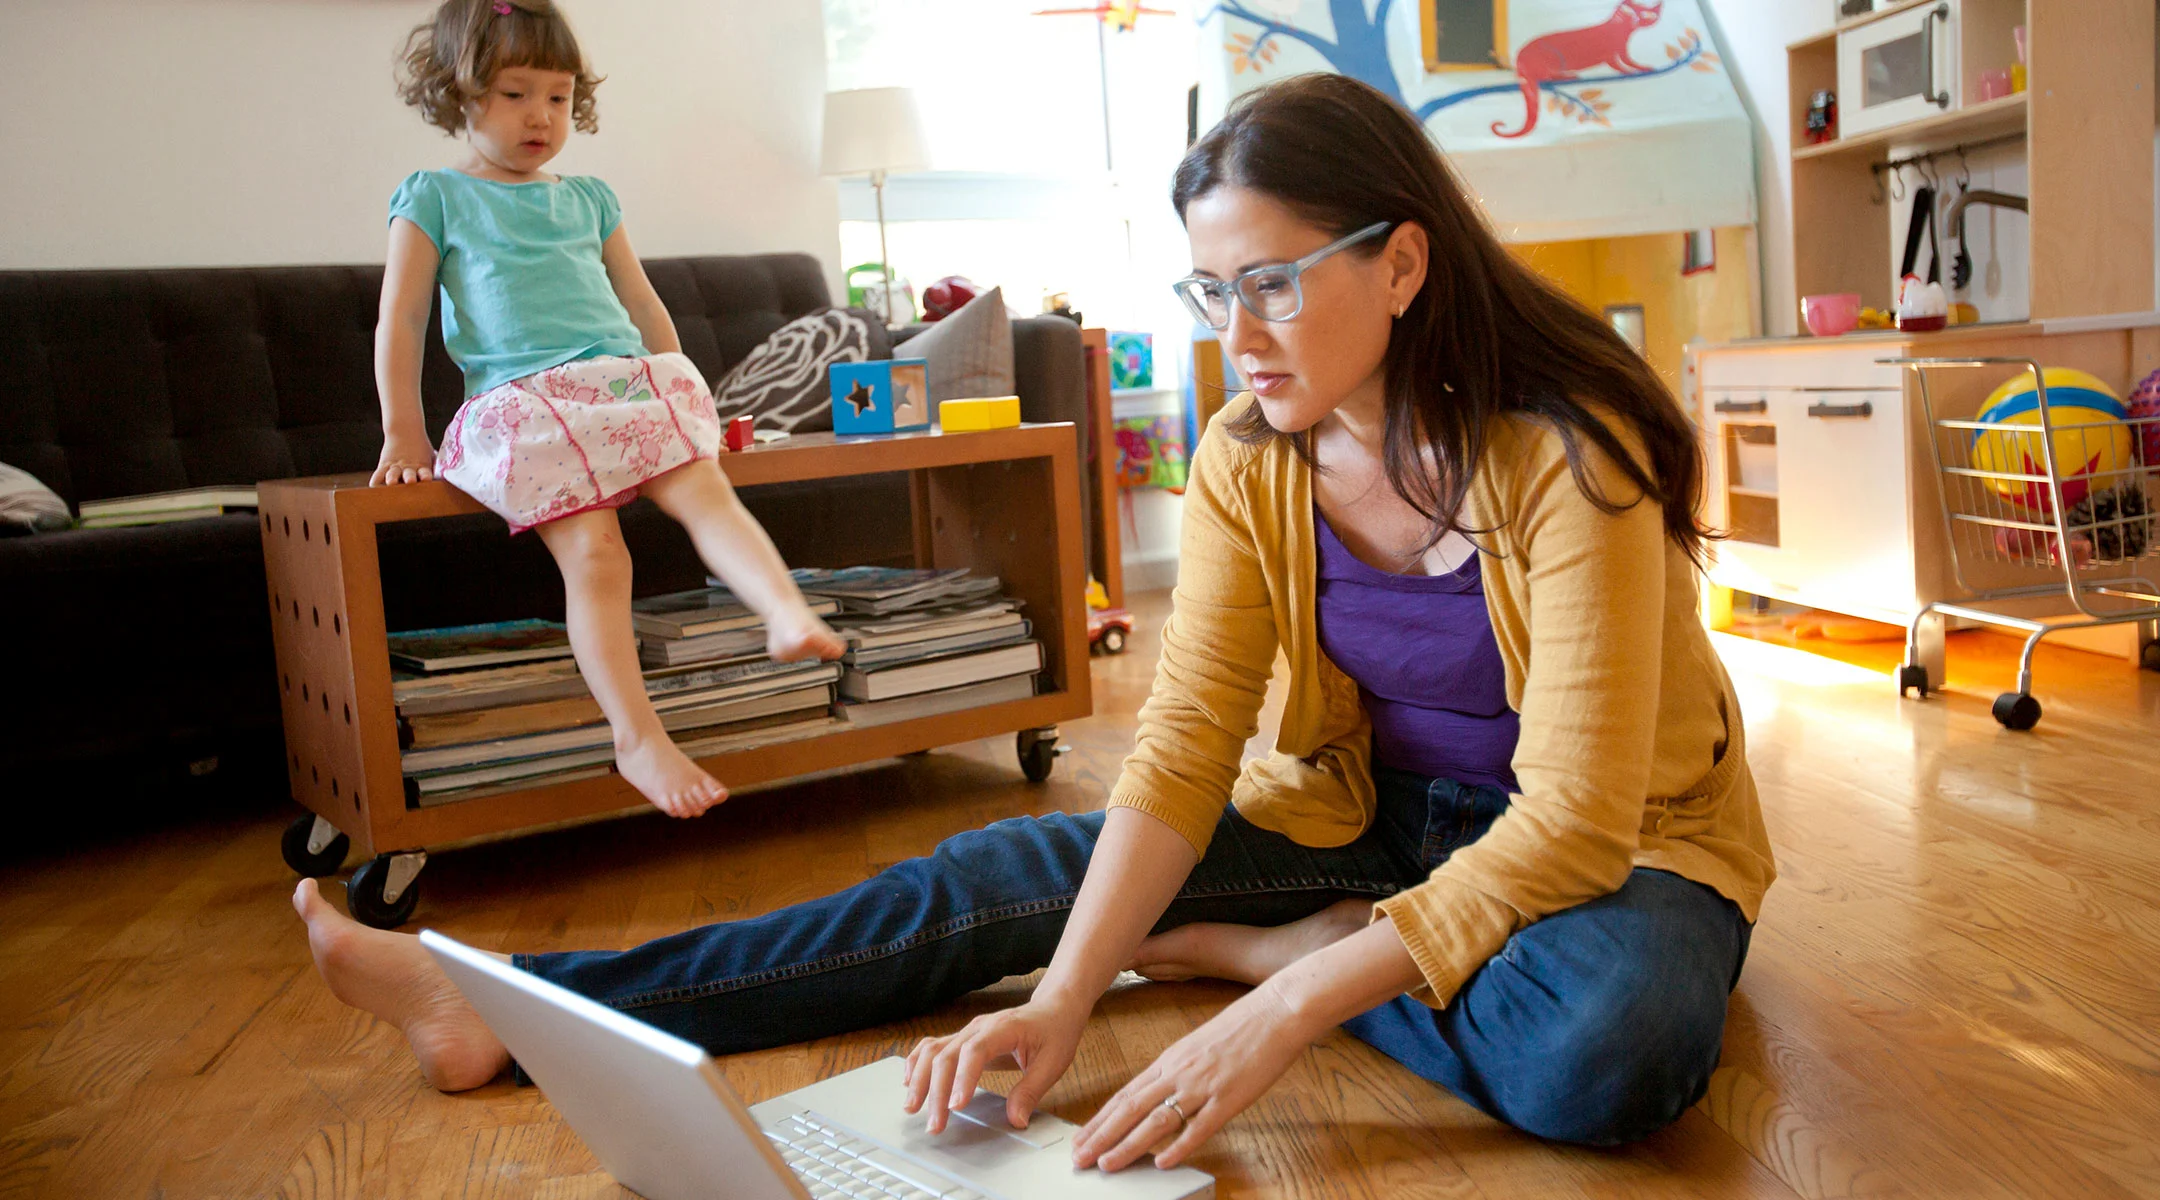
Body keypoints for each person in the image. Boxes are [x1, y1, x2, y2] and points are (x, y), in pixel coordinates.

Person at [297, 73, 1775, 1167]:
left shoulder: (1566, 453)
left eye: (1271, 282)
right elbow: (1189, 743)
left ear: (1399, 261)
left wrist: (1284, 993)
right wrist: (1069, 997)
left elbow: (1574, 820)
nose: (1237, 335)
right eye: (1211, 290)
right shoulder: (1247, 461)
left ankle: (1275, 951)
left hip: (1619, 846)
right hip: (1367, 812)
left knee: (1605, 1050)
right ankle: (511, 1003)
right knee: (1004, 876)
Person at [369, 0, 842, 818]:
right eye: (516, 94)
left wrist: (680, 388)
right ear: (460, 93)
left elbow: (645, 305)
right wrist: (402, 431)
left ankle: (782, 609)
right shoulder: (435, 197)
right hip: (523, 404)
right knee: (597, 557)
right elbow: (402, 319)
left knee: (705, 493)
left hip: (619, 382)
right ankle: (637, 737)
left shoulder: (588, 198)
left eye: (557, 97)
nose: (540, 117)